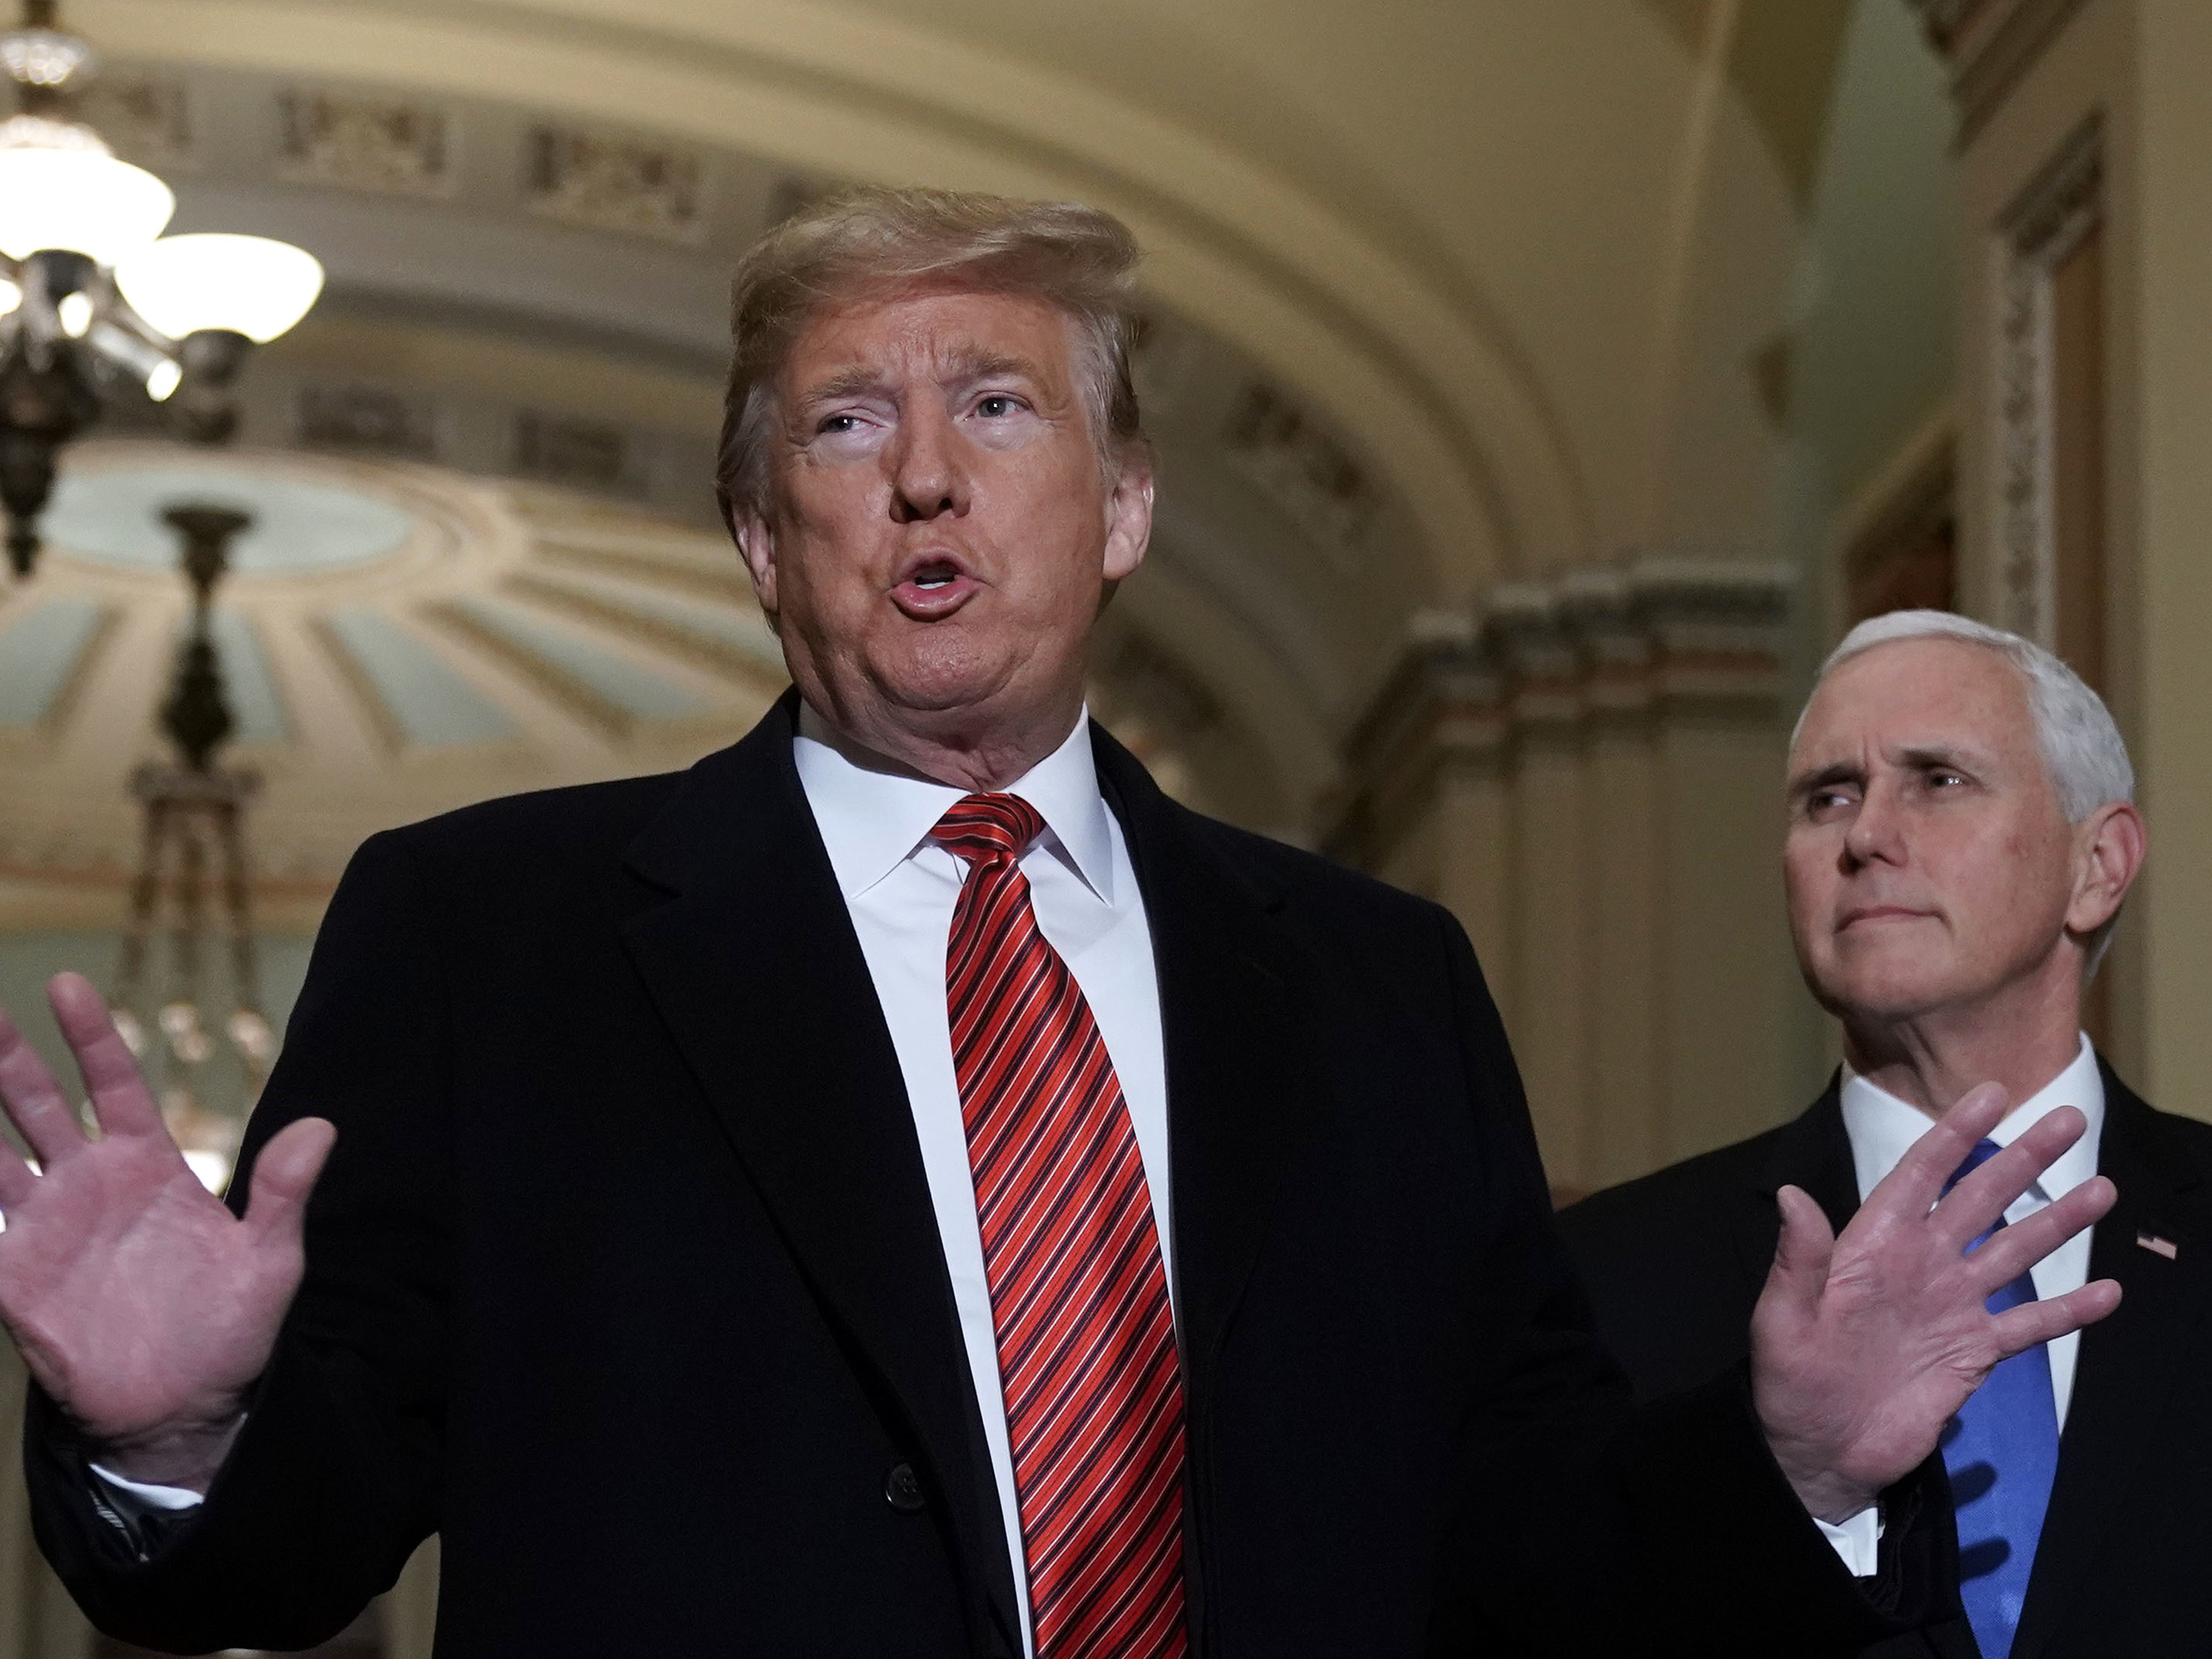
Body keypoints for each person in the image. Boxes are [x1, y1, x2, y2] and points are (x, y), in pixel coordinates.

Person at [1, 195, 2118, 1658]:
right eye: (847, 422)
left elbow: (1528, 1533)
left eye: (997, 406)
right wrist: (178, 1433)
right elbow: (301, 1539)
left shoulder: (1375, 984)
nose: (924, 475)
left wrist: (1793, 1461)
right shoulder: (494, 936)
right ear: (763, 535)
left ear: (1120, 511)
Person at [1560, 610, 2197, 1659]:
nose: (1863, 835)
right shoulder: (1608, 1277)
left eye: (1937, 779)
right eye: (1828, 796)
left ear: (2097, 864)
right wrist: (1796, 1475)